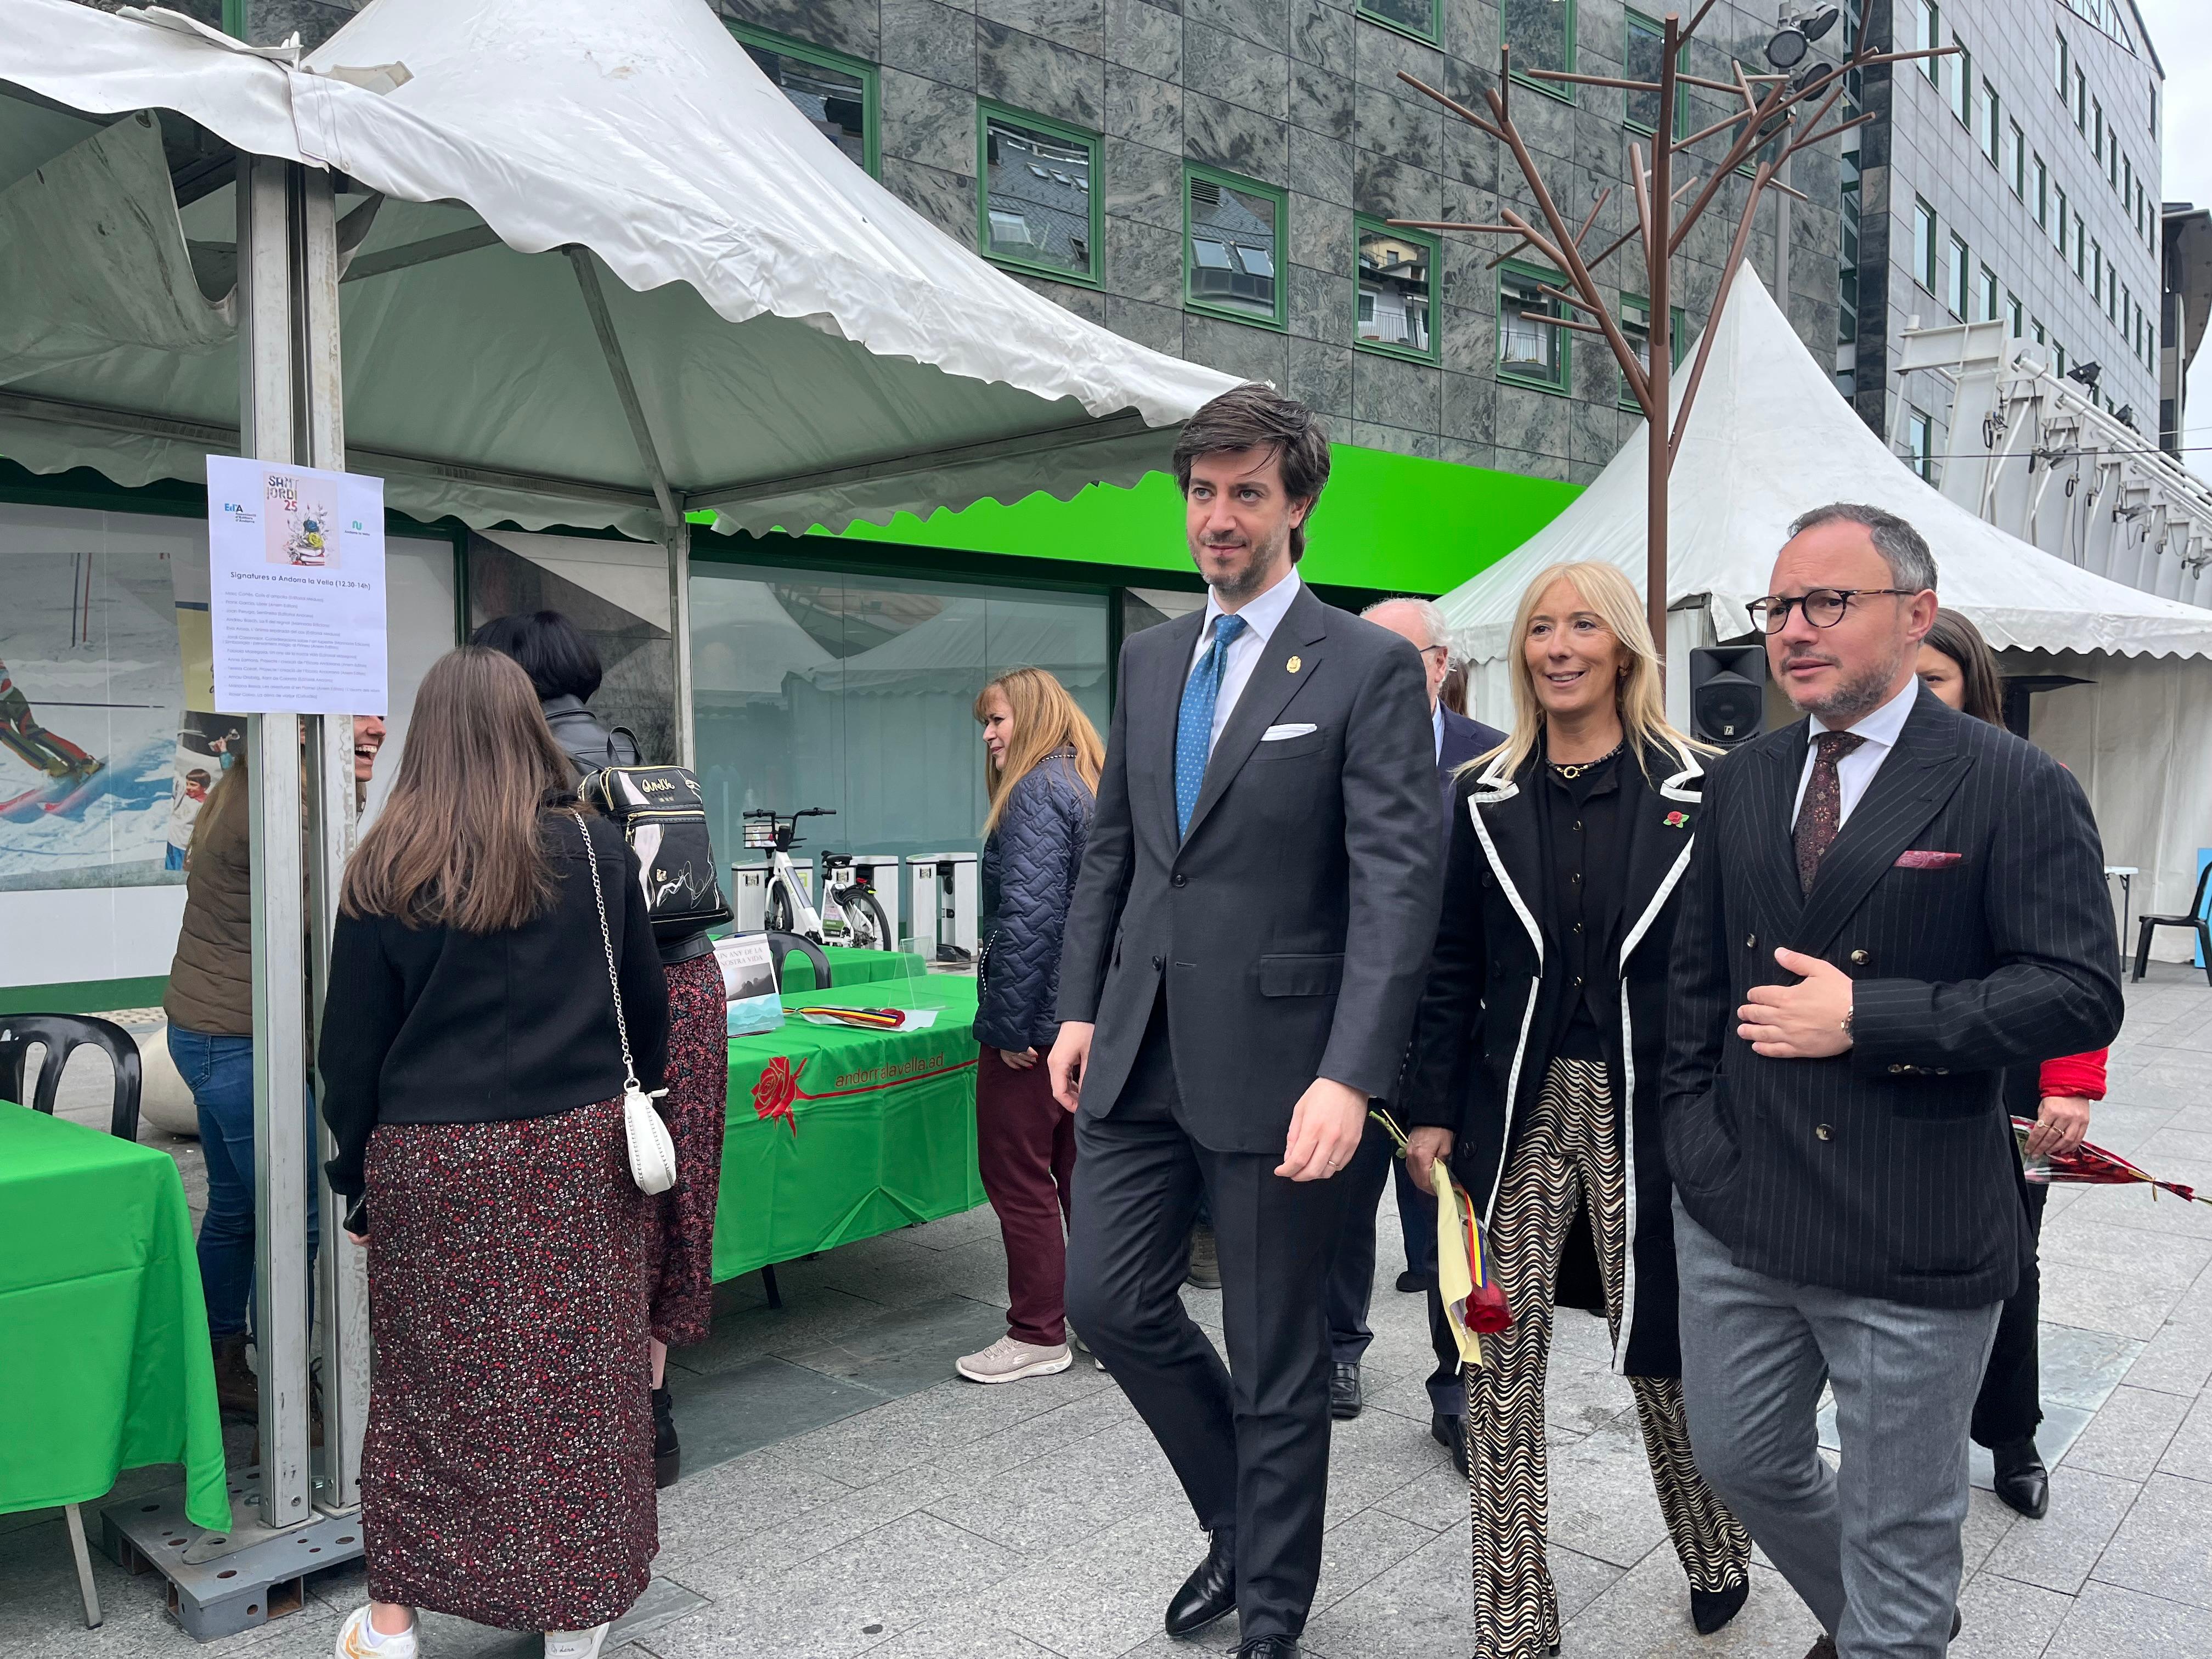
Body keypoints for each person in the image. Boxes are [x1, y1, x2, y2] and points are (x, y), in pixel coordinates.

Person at [1663, 504, 2124, 1659]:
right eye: (1779, 607)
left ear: (1917, 615)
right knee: (1741, 1456)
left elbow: (2078, 992)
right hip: (1742, 1206)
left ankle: (1893, 1629)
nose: (1794, 630)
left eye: (1830, 602)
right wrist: (1691, 1137)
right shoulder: (1745, 780)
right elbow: (1694, 991)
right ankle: (1886, 1621)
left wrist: (1868, 1016)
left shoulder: (2012, 784)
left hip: (1918, 1223)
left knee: (1904, 1534)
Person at [1050, 383, 1441, 1659]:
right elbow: (1115, 854)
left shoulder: (1367, 665)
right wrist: (1074, 1006)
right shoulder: (1154, 653)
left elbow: (1395, 886)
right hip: (1136, 1050)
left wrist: (1351, 1075)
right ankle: (1241, 1522)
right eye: (1202, 493)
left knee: (1277, 1362)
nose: (1218, 519)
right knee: (1109, 1307)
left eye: (1246, 495)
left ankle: (1273, 1606)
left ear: (1299, 505)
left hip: (1285, 1073)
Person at [1396, 562, 1751, 1654]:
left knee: (1662, 1351)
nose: (1558, 646)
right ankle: (1514, 1623)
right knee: (1496, 1359)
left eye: (1582, 625)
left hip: (1656, 1104)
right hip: (1518, 1106)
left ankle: (1714, 1546)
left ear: (1626, 646)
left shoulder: (1710, 785)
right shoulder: (1485, 795)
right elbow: (1450, 963)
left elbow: (1738, 969)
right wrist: (1430, 1110)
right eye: (1541, 629)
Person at [319, 647, 669, 1659]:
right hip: (575, 1156)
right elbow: (641, 1015)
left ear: (425, 741)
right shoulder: (596, 851)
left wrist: (357, 1182)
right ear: (528, 727)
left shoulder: (385, 863)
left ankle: (390, 1624)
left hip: (435, 1164)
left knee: (428, 1393)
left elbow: (350, 1052)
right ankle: (573, 1612)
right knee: (580, 1389)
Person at [475, 609, 721, 1488]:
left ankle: (602, 1409)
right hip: (693, 989)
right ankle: (653, 1411)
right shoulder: (633, 747)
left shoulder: (531, 776)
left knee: (605, 1200)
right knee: (674, 1188)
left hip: (607, 996)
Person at [1915, 607, 2107, 1521]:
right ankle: (1910, 1433)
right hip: (1885, 1059)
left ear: (1973, 687)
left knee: (2005, 1260)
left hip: (2009, 1072)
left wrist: (2071, 1082)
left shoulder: (2032, 783)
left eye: (1935, 681)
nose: (1914, 700)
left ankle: (2012, 1435)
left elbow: (2074, 958)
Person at [165, 711, 385, 1421]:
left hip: (209, 1028)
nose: (373, 730)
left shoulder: (251, 778)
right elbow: (330, 912)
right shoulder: (283, 801)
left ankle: (219, 1361)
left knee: (238, 1206)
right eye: (357, 723)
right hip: (237, 1038)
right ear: (305, 729)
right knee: (300, 1216)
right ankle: (293, 1383)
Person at [1323, 597, 1502, 1440]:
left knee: (1447, 1220)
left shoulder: (1494, 761)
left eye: (1402, 657)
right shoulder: (1327, 746)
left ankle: (1459, 1388)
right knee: (1339, 1204)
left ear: (1441, 665)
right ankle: (1336, 1349)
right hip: (1349, 1023)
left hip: (1452, 1027)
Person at [958, 667, 1103, 1384]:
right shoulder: (1083, 782)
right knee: (1081, 1174)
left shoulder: (1037, 793)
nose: (988, 735)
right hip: (1086, 1021)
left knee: (1019, 1175)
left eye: (998, 720)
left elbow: (1030, 919)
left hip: (1039, 1029)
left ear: (1036, 717)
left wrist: (1010, 1026)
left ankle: (1038, 1333)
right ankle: (1108, 1324)